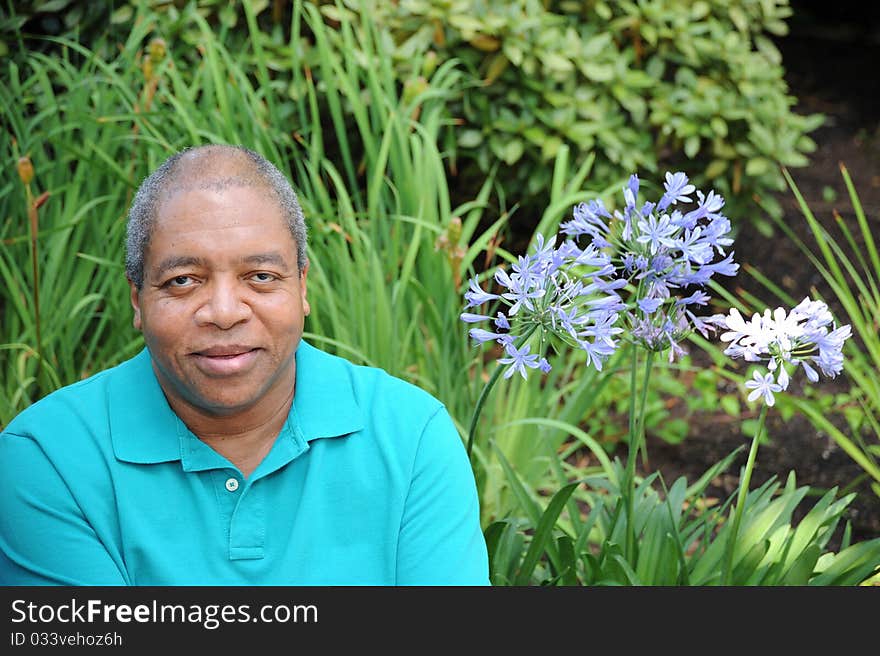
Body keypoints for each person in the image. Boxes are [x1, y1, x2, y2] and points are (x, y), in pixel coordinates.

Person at [0, 144, 489, 585]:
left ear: (302, 287)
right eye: (183, 281)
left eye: (260, 276)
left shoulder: (410, 436)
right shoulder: (48, 458)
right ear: (137, 299)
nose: (225, 312)